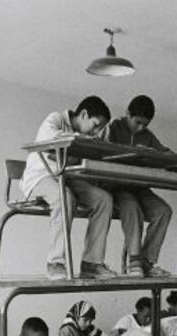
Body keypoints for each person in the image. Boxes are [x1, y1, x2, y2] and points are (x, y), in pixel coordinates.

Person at [21, 96, 117, 280]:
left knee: (104, 199)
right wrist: (82, 140)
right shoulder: (56, 118)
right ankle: (56, 262)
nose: (96, 132)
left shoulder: (89, 136)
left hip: (65, 178)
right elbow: (50, 139)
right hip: (40, 177)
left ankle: (92, 263)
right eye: (95, 125)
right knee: (65, 198)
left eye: (100, 129)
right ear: (84, 114)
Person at [102, 95, 172, 278]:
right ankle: (134, 261)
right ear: (127, 114)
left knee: (163, 211)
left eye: (145, 125)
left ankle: (147, 262)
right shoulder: (113, 128)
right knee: (131, 206)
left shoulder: (147, 136)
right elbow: (103, 150)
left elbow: (164, 152)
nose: (140, 128)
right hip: (117, 186)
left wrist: (169, 157)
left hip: (139, 187)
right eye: (137, 122)